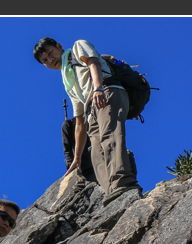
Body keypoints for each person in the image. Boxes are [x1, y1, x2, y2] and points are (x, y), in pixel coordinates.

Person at [34, 37, 142, 206]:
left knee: (110, 135)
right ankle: (112, 193)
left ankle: (124, 183)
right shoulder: (67, 77)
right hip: (91, 109)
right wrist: (76, 158)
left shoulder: (78, 46)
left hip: (106, 91)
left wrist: (98, 88)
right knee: (96, 152)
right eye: (45, 60)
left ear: (59, 46)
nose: (50, 59)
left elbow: (93, 63)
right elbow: (79, 121)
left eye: (50, 53)